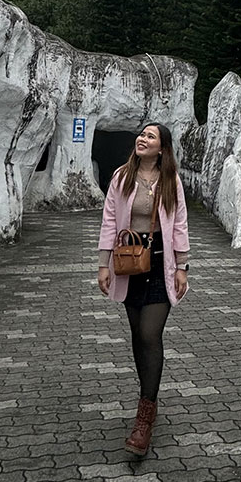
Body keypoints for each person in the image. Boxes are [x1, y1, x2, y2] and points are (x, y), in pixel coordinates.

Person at [97, 122, 190, 456]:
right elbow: (110, 220)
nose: (142, 139)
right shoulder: (121, 176)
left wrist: (182, 267)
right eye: (141, 134)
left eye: (150, 136)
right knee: (138, 336)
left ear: (161, 147)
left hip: (161, 263)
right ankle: (148, 395)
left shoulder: (170, 180)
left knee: (151, 335)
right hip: (129, 263)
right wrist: (102, 263)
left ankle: (144, 416)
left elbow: (179, 224)